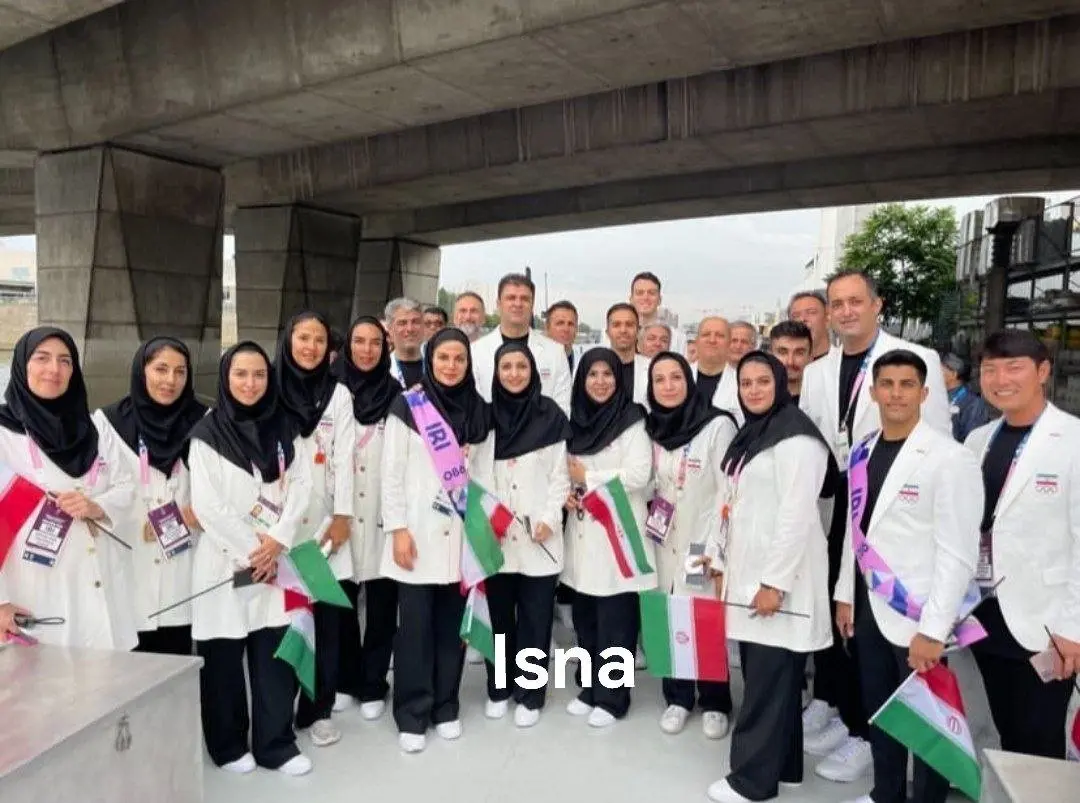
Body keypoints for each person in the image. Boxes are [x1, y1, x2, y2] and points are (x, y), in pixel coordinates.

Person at [798, 269, 950, 784]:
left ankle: (872, 737)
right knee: (845, 618)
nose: (845, 311)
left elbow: (937, 448)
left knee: (888, 635)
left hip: (893, 514)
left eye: (855, 301)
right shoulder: (819, 371)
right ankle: (849, 718)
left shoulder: (916, 360)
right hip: (837, 507)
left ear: (876, 305)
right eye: (837, 303)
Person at [834, 350, 983, 803]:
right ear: (874, 392)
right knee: (883, 713)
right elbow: (854, 532)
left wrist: (933, 631)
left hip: (918, 615)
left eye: (906, 385)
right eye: (887, 384)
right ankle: (887, 793)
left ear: (924, 392)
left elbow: (958, 555)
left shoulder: (949, 458)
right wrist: (845, 595)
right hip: (869, 607)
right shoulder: (862, 450)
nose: (896, 394)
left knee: (928, 724)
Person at [705, 352, 835, 803]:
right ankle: (785, 767)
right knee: (774, 680)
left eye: (763, 381)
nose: (754, 390)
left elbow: (796, 516)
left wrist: (774, 583)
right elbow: (729, 502)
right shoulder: (753, 434)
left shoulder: (797, 437)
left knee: (766, 683)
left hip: (779, 586)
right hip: (747, 575)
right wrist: (717, 558)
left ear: (779, 384)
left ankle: (752, 781)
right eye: (746, 383)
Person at [188, 341, 313, 777]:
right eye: (240, 374)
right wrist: (253, 551)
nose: (250, 383)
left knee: (274, 651)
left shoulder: (286, 428)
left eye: (259, 374)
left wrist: (277, 540)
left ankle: (276, 743)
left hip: (276, 557)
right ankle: (226, 745)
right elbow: (208, 506)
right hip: (227, 563)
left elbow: (302, 487)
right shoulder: (206, 435)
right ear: (225, 378)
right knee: (223, 655)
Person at [964, 330, 1080, 759]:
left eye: (1014, 368)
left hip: (1045, 624)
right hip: (985, 613)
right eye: (990, 370)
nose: (1001, 380)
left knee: (1040, 740)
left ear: (1043, 371)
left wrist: (1073, 629)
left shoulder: (1073, 440)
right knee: (1006, 731)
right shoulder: (978, 440)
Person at [381, 327, 495, 753]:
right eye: (443, 357)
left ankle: (446, 705)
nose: (451, 366)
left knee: (451, 630)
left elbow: (486, 478)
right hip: (416, 537)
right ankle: (412, 713)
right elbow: (390, 474)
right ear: (430, 361)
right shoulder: (408, 406)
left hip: (461, 540)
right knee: (414, 630)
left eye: (459, 359)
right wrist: (397, 529)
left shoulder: (480, 413)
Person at [0, 327, 137, 651]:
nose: (54, 369)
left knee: (105, 673)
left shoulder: (94, 429)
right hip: (33, 591)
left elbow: (126, 486)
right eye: (42, 358)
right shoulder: (4, 435)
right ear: (22, 365)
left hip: (98, 580)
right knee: (44, 678)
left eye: (65, 361)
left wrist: (97, 506)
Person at [273, 311, 356, 749]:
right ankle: (277, 711)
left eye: (319, 340)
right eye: (303, 338)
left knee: (326, 623)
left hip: (325, 529)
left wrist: (343, 515)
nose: (310, 347)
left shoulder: (337, 394)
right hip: (278, 526)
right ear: (288, 341)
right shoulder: (268, 387)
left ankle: (319, 710)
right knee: (282, 620)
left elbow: (344, 457)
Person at [645, 352, 738, 740]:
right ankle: (678, 698)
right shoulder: (652, 427)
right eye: (659, 380)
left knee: (703, 620)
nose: (668, 386)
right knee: (667, 617)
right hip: (661, 538)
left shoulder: (717, 425)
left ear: (689, 381)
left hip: (701, 542)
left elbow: (728, 491)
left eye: (676, 377)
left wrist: (717, 548)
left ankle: (715, 702)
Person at [95, 337, 208, 656]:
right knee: (129, 666)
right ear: (141, 370)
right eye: (161, 369)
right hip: (130, 563)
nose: (170, 380)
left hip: (182, 564)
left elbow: (225, 485)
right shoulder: (107, 423)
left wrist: (197, 512)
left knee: (176, 660)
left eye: (180, 372)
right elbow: (95, 485)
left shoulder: (206, 421)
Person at [561, 348, 655, 728]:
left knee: (616, 620)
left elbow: (639, 475)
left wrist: (588, 479)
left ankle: (614, 699)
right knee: (586, 617)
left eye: (608, 374)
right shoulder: (575, 422)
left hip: (619, 535)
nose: (600, 382)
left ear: (619, 378)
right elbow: (566, 472)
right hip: (584, 532)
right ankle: (589, 688)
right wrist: (570, 492)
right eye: (592, 374)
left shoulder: (632, 421)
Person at [480, 342, 572, 728]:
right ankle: (500, 687)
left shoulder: (550, 416)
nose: (514, 374)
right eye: (506, 367)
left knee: (536, 619)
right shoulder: (485, 417)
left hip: (540, 538)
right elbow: (476, 473)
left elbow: (560, 475)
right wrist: (488, 518)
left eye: (522, 366)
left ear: (532, 371)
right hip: (497, 537)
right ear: (496, 372)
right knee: (499, 618)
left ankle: (531, 694)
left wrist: (550, 517)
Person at [330, 316, 401, 722]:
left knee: (381, 605)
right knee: (340, 601)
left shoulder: (398, 397)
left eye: (376, 342)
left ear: (385, 347)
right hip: (339, 515)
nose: (367, 350)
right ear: (347, 346)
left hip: (381, 514)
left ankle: (374, 682)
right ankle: (344, 680)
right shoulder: (330, 394)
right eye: (359, 341)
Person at [471, 273, 572, 414]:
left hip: (544, 428)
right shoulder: (475, 351)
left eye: (524, 299)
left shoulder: (556, 353)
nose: (518, 304)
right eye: (511, 298)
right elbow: (473, 409)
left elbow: (563, 410)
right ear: (498, 304)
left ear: (532, 305)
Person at [598, 303, 650, 406]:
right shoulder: (591, 368)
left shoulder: (653, 368)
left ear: (638, 331)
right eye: (616, 325)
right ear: (607, 332)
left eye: (629, 325)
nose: (623, 330)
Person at [691, 316, 741, 424]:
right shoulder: (680, 377)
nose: (712, 340)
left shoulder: (741, 383)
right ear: (696, 341)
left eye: (719, 336)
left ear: (729, 343)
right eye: (706, 334)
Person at [941, 352, 996, 442]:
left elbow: (972, 440)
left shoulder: (974, 404)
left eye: (940, 369)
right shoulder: (937, 395)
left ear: (954, 374)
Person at [769, 320, 813, 404]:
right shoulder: (756, 401)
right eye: (783, 352)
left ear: (810, 357)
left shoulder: (826, 399)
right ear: (770, 355)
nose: (790, 362)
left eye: (799, 353)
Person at [385, 297, 426, 387]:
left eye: (415, 322)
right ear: (390, 329)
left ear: (423, 327)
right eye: (402, 323)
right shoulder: (382, 371)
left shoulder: (439, 367)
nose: (410, 329)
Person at [788, 291, 831, 360]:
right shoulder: (783, 365)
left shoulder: (843, 361)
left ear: (828, 318)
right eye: (796, 316)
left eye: (811, 312)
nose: (802, 319)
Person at [544, 300, 579, 374]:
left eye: (571, 324)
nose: (566, 329)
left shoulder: (585, 365)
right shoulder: (532, 363)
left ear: (576, 329)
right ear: (547, 328)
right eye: (560, 323)